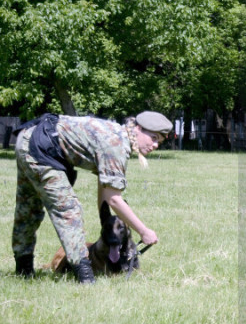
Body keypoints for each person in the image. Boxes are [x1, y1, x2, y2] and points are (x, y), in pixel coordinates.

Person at [12, 111, 171, 283]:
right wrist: (143, 231)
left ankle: (23, 271)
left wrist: (105, 219)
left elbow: (104, 187)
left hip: (28, 137)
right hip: (41, 148)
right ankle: (85, 276)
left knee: (28, 208)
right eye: (153, 138)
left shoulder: (116, 134)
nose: (155, 145)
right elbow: (114, 199)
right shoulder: (116, 145)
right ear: (138, 129)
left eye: (159, 141)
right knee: (69, 211)